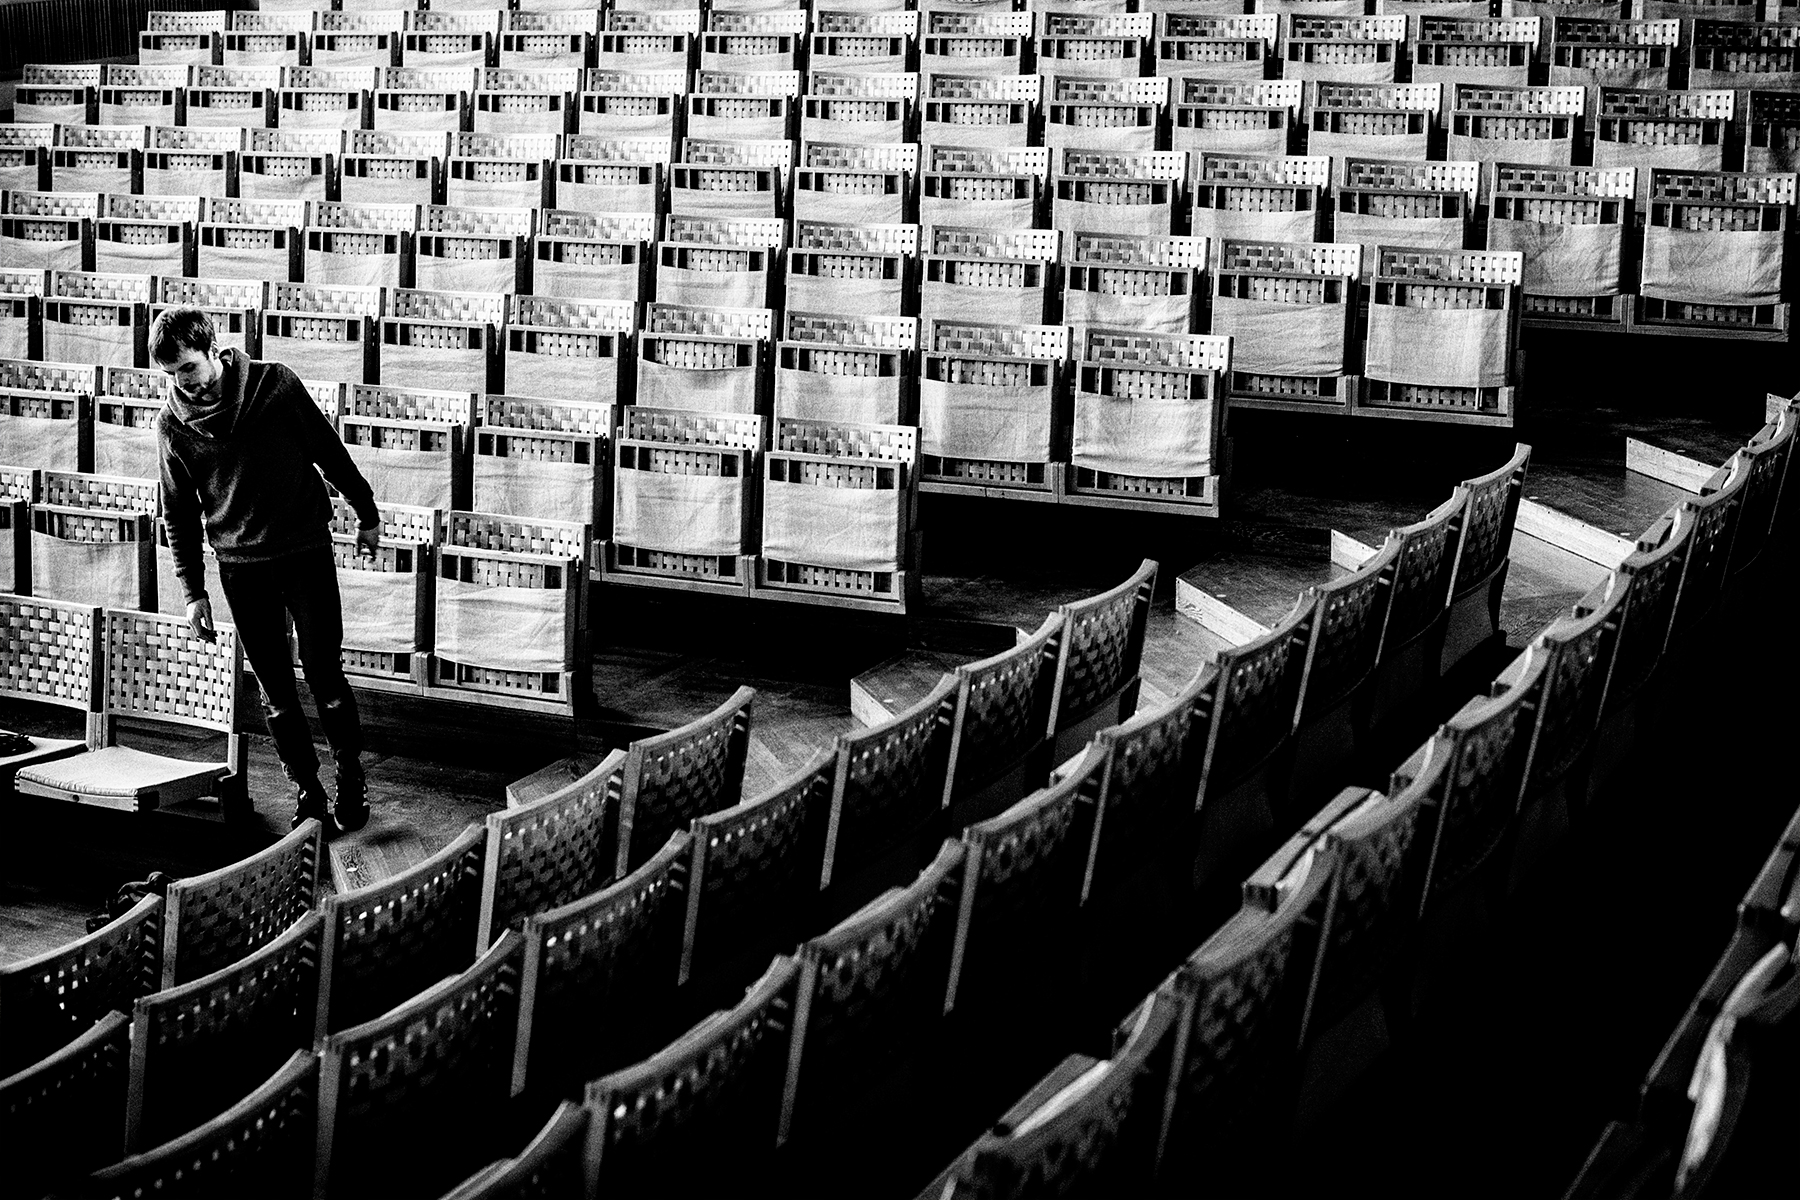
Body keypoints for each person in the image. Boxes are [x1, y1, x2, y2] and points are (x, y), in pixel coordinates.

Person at [153, 307, 381, 837]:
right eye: (171, 375)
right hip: (240, 566)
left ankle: (351, 774)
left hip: (304, 550)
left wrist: (365, 512)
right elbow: (178, 513)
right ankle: (309, 790)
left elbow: (327, 449)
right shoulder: (172, 424)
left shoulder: (276, 386)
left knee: (324, 671)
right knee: (274, 688)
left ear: (212, 350)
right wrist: (193, 591)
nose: (183, 382)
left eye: (188, 368)